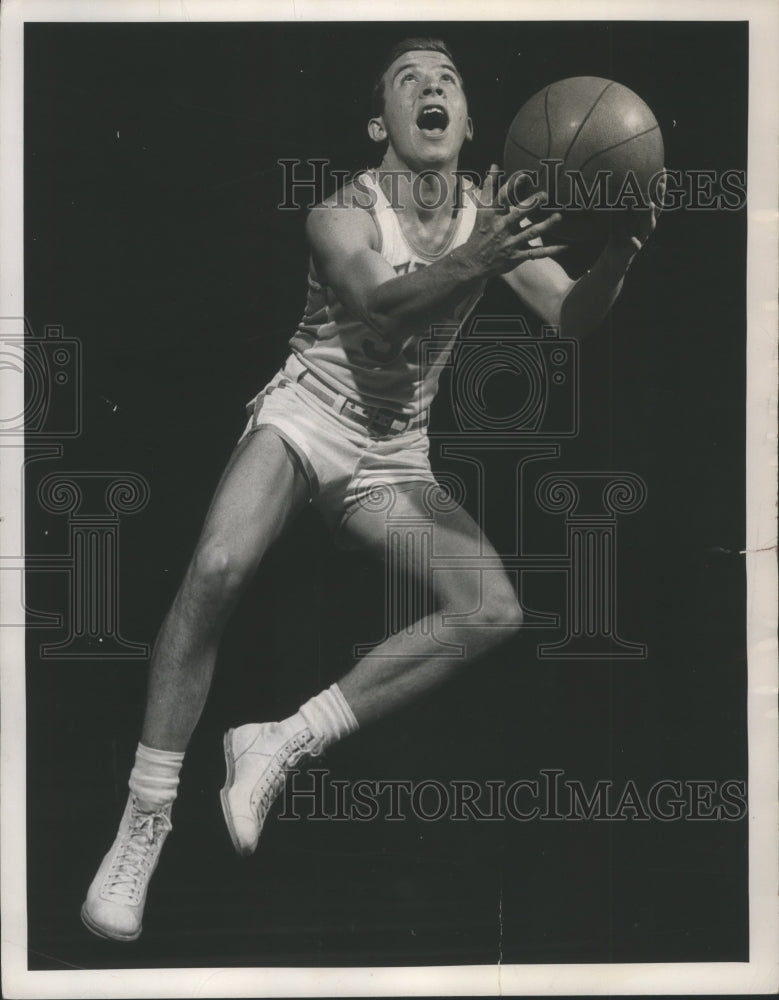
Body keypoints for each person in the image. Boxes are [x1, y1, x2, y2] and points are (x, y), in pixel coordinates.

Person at [81, 37, 660, 942]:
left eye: (449, 81)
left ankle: (280, 740)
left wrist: (618, 255)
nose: (431, 87)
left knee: (491, 611)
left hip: (392, 457)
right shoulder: (342, 209)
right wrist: (483, 255)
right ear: (379, 122)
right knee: (219, 565)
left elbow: (568, 316)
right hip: (305, 422)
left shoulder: (484, 216)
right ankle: (145, 818)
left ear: (469, 125)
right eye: (408, 80)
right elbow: (379, 302)